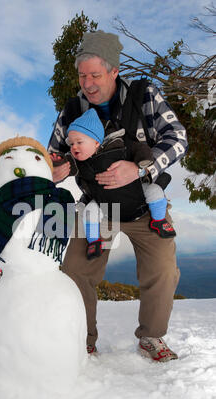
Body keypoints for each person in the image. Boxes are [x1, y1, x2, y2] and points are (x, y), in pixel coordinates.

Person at [48, 30, 188, 361]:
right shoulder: (72, 110)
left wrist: (140, 168)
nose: (88, 83)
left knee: (163, 270)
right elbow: (53, 154)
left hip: (145, 206)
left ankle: (151, 337)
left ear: (114, 71)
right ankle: (82, 339)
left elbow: (178, 138)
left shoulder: (145, 95)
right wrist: (58, 167)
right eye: (82, 76)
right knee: (76, 271)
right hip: (99, 209)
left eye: (96, 75)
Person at [65, 107, 176, 260]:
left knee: (155, 191)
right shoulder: (79, 162)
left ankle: (158, 220)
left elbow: (139, 148)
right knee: (90, 211)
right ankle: (94, 241)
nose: (74, 147)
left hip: (136, 196)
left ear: (96, 142)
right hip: (105, 205)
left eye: (79, 142)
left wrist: (142, 163)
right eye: (71, 144)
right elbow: (66, 165)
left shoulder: (119, 146)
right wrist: (59, 165)